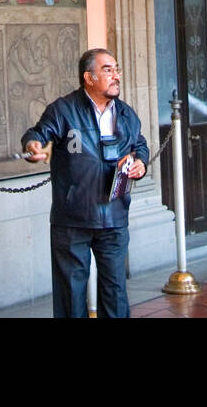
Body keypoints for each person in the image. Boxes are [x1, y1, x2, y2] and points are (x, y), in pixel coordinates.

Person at [21, 48, 147, 318]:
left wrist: (141, 163)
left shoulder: (126, 113)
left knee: (115, 293)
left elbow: (140, 144)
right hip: (73, 219)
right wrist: (34, 146)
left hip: (114, 216)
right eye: (108, 70)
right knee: (70, 294)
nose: (116, 76)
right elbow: (37, 133)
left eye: (116, 69)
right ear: (88, 77)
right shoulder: (63, 110)